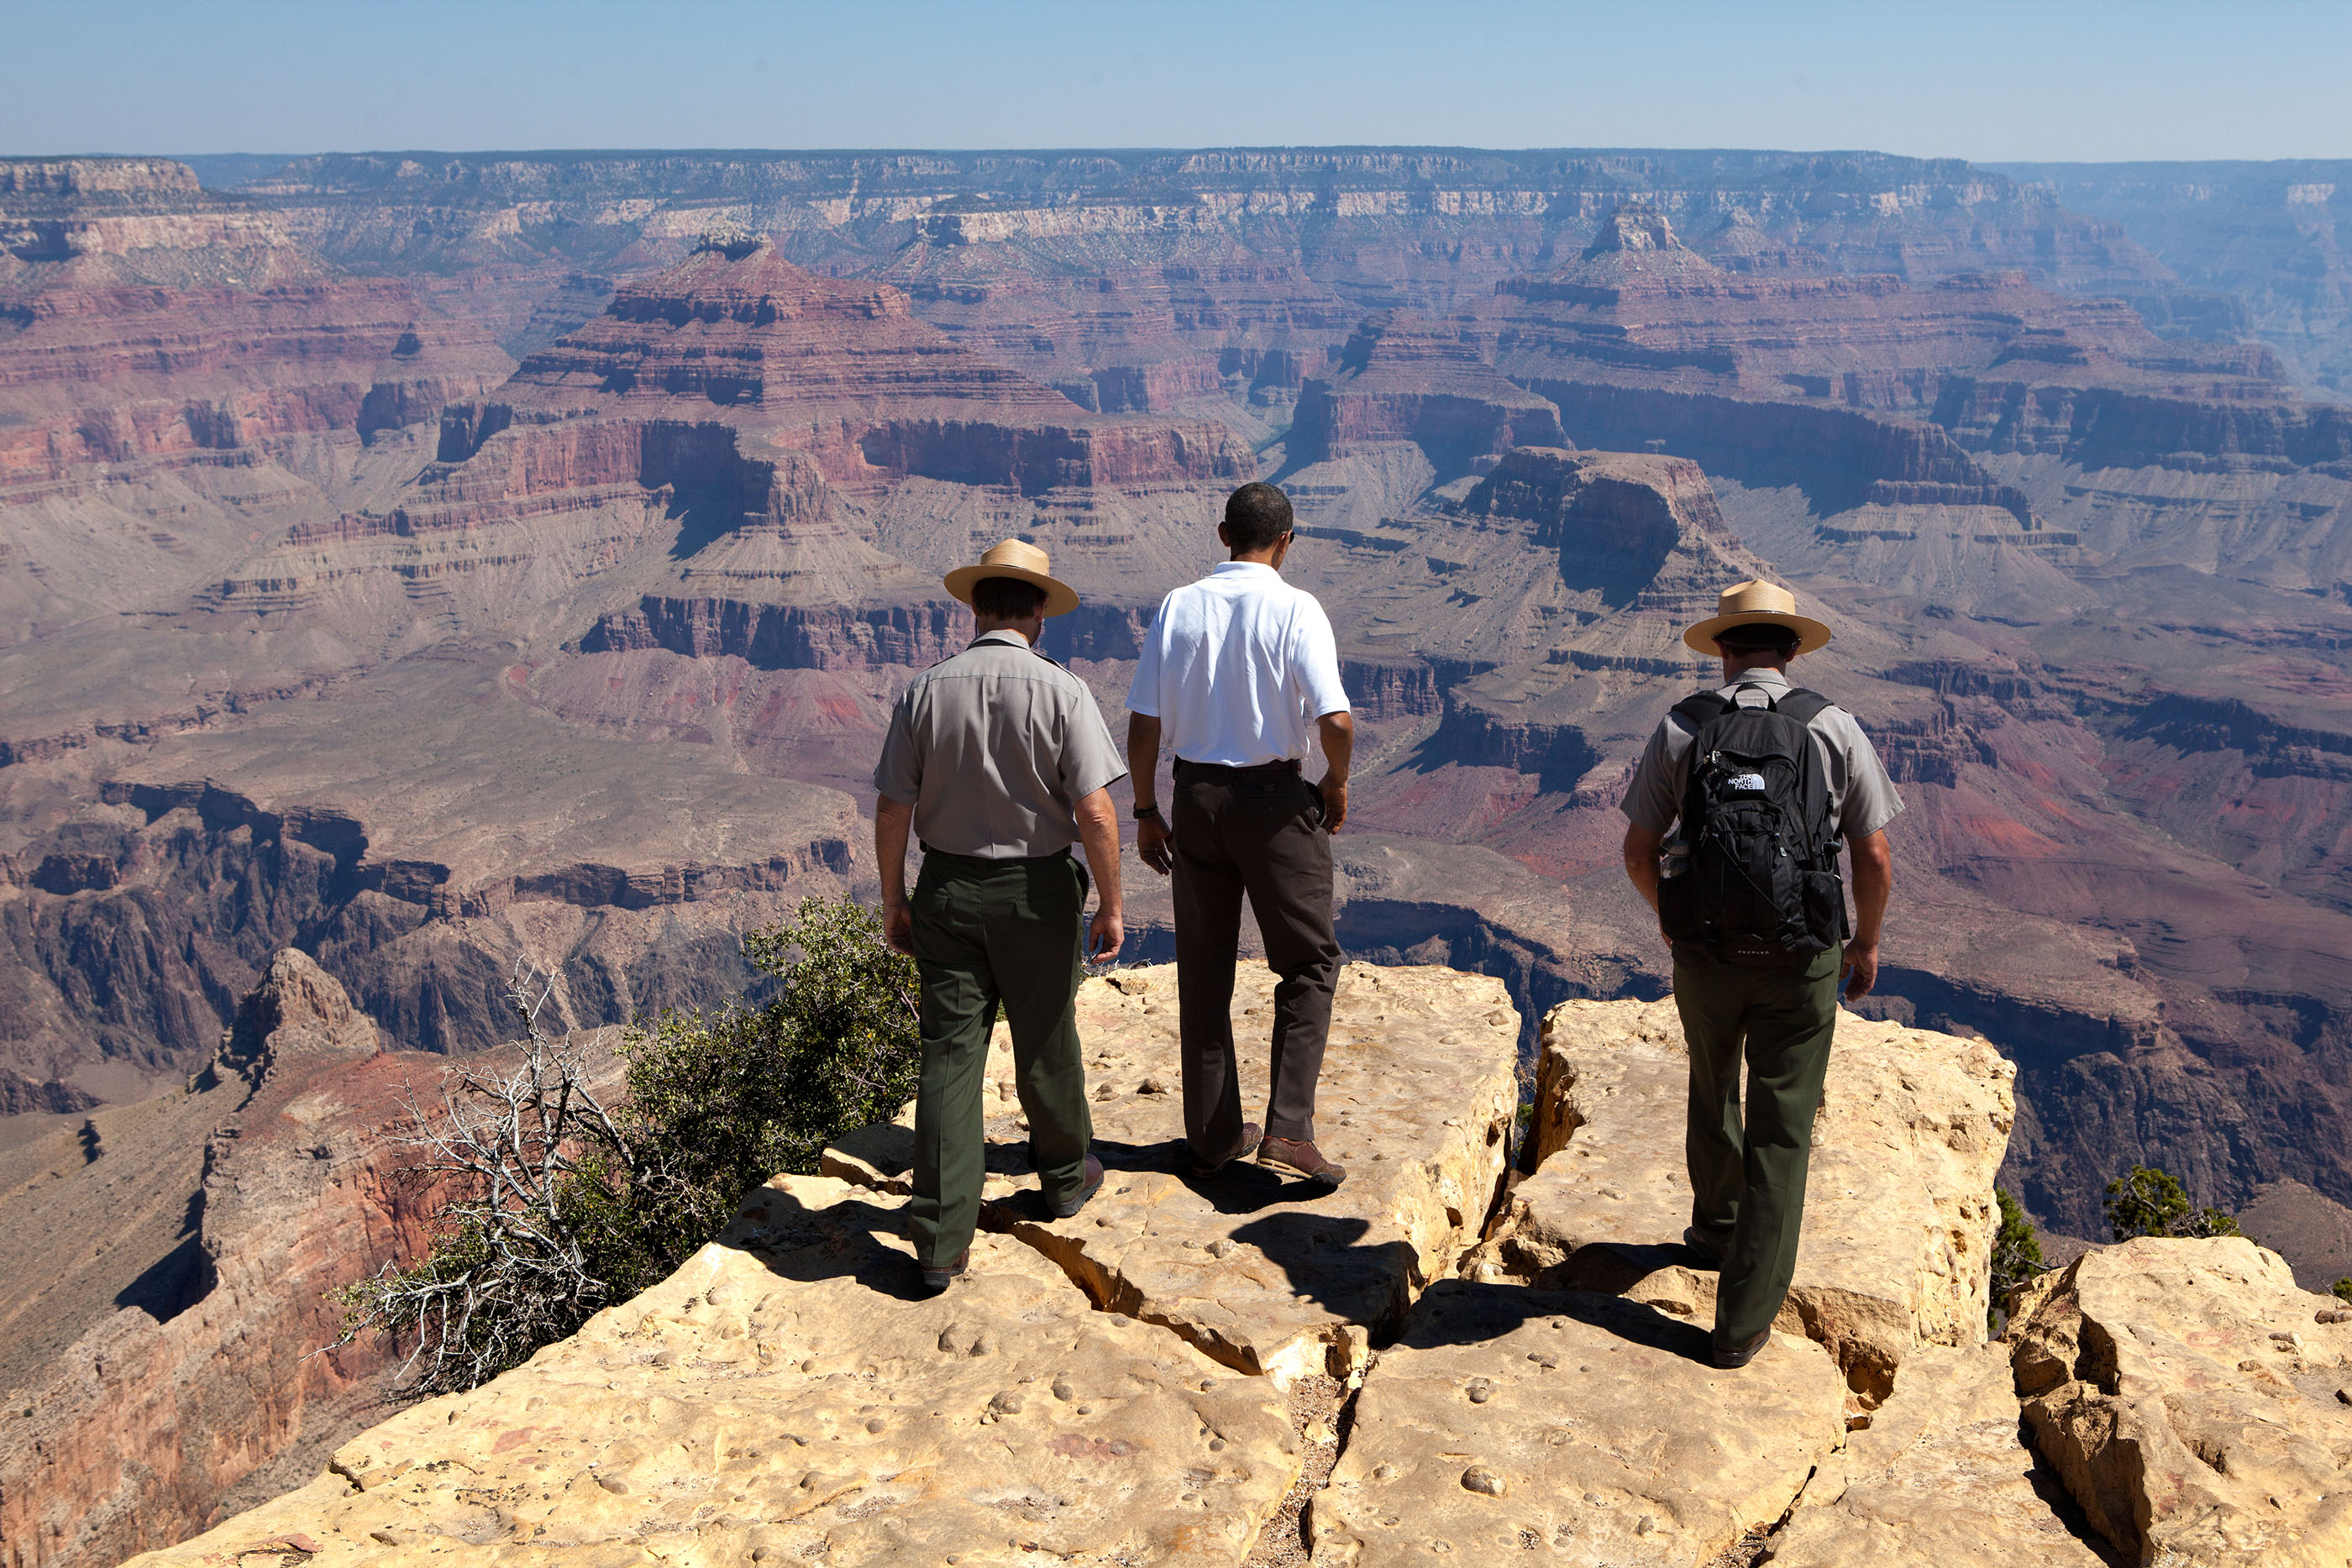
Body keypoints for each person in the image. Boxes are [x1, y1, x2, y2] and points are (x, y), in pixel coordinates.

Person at [1618, 579, 1901, 1369]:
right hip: (1801, 957)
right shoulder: (1833, 727)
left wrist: (1674, 922)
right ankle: (1741, 1322)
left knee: (1712, 1086)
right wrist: (1865, 944)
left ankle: (1713, 1229)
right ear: (1793, 650)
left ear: (1721, 650)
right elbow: (1873, 856)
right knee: (1782, 1128)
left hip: (1705, 956)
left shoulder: (1684, 726)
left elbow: (1637, 852)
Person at [874, 539, 1128, 1292]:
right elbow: (1096, 810)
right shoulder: (1063, 691)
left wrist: (895, 899)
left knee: (950, 1055)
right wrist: (1112, 903)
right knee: (1047, 1031)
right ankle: (1062, 1179)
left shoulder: (925, 690)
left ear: (975, 608)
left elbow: (893, 806)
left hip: (947, 889)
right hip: (1037, 892)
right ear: (1040, 612)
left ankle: (939, 1242)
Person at [1126, 481, 1353, 1188]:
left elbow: (1143, 721)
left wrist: (1144, 809)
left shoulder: (1178, 604)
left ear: (1223, 534)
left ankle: (1216, 1136)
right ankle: (1288, 1129)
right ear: (1288, 542)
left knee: (1204, 972)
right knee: (1309, 963)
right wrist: (1336, 783)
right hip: (1276, 804)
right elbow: (1337, 721)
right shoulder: (1297, 608)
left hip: (1195, 797)